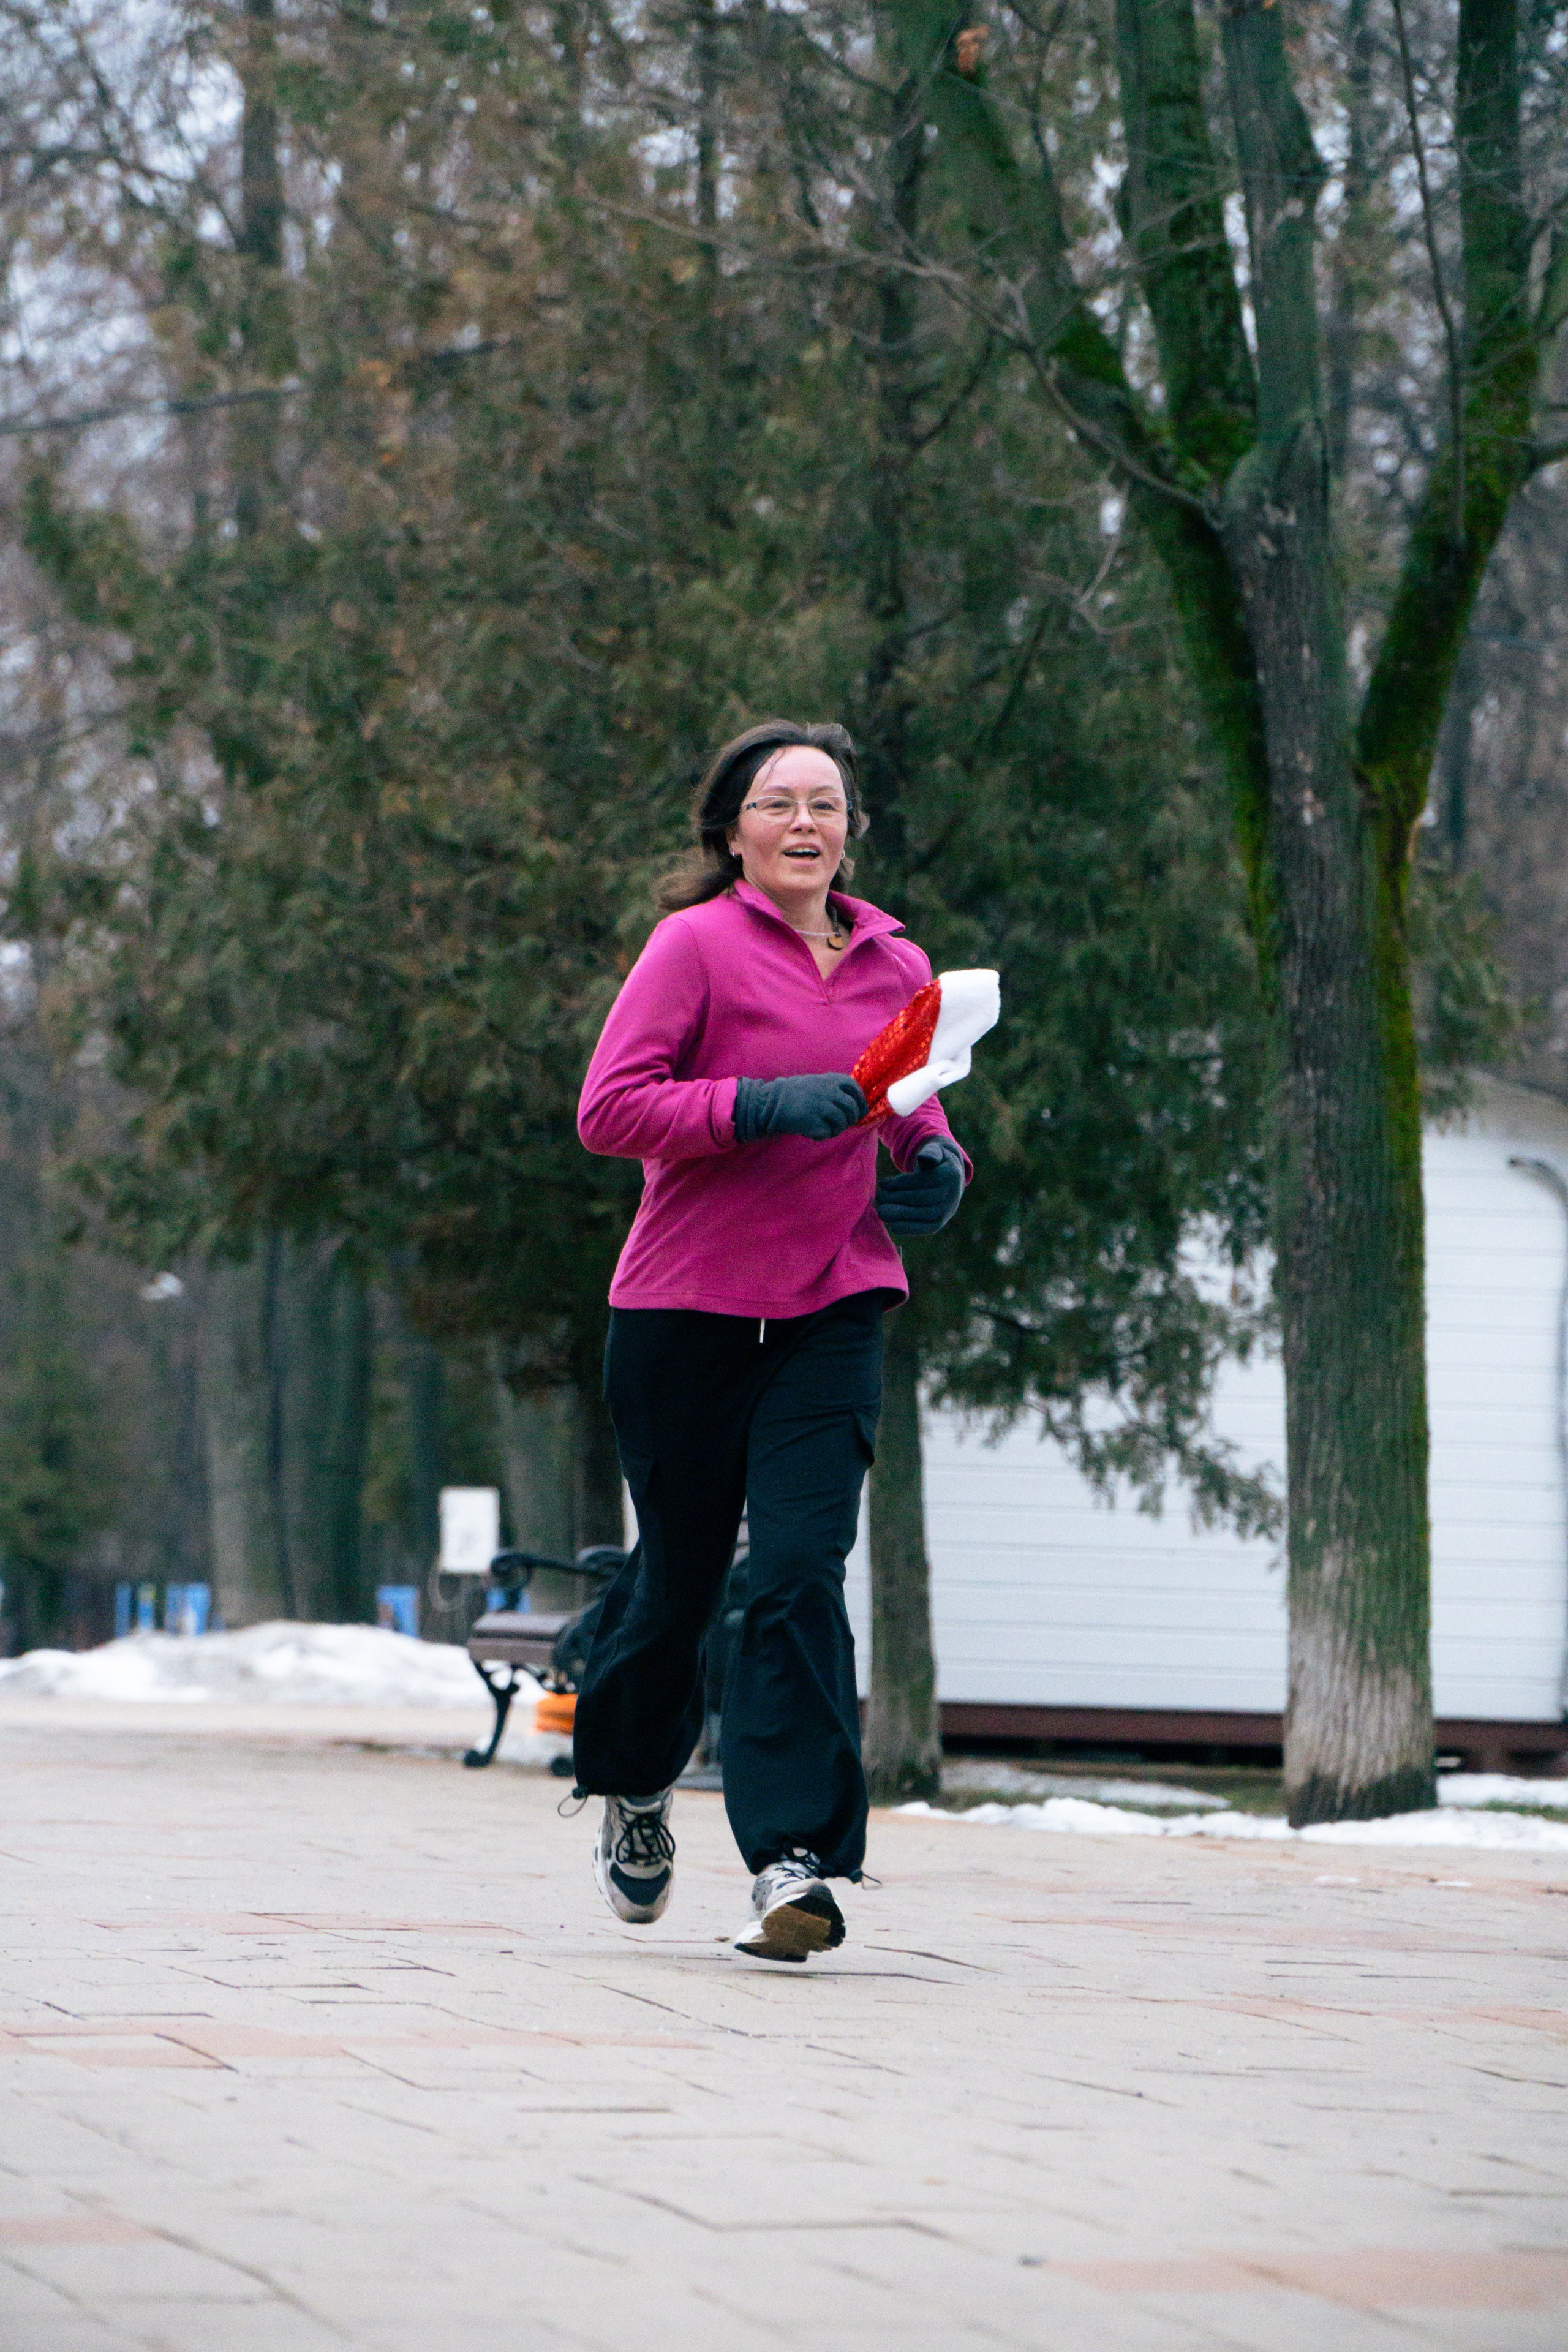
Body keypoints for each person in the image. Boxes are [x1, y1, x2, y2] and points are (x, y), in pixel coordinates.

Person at [571, 719, 970, 1962]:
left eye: (827, 803)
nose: (805, 823)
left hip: (834, 1300)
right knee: (678, 1583)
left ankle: (794, 1861)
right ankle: (637, 1787)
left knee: (795, 1569)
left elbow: (910, 1099)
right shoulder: (691, 947)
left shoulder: (895, 964)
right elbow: (609, 1110)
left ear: (851, 828)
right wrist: (759, 1105)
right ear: (731, 828)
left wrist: (936, 1159)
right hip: (683, 1309)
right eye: (778, 801)